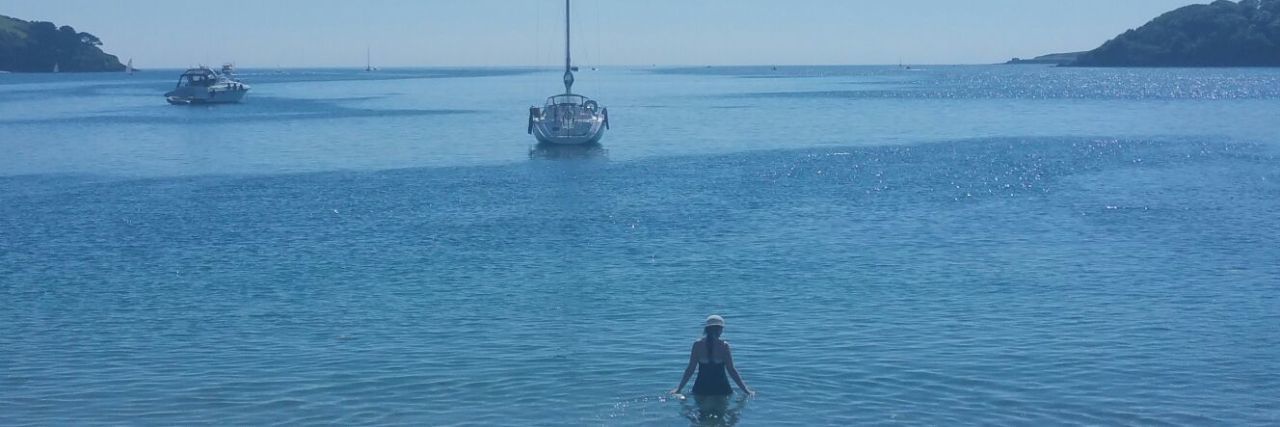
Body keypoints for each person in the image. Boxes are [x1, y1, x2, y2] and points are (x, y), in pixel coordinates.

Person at [671, 315, 753, 397]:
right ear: (720, 329)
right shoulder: (724, 346)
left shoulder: (697, 345)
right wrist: (746, 391)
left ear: (706, 329)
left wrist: (679, 389)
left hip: (701, 388)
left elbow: (690, 369)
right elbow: (732, 370)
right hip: (721, 388)